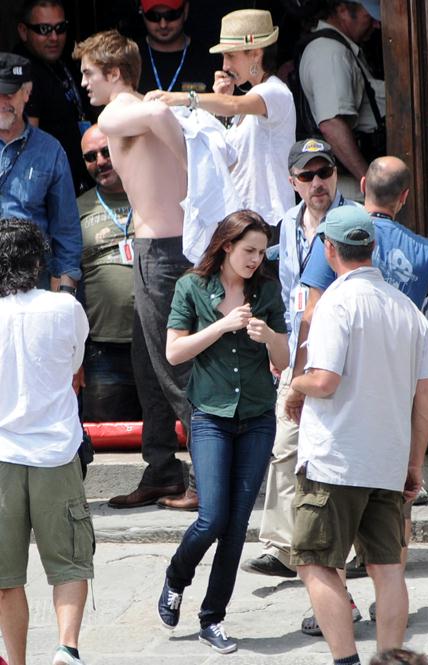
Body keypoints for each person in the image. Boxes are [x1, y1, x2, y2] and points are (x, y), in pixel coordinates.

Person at [73, 30, 238, 511]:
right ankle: (163, 469)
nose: (84, 83)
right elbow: (159, 115)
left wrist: (188, 162)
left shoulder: (117, 111)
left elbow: (159, 115)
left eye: (89, 73)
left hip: (163, 252)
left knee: (175, 367)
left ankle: (209, 479)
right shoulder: (139, 107)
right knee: (148, 364)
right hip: (167, 249)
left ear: (114, 73)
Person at [292, 155, 428, 634]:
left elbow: (323, 374)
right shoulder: (411, 305)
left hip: (337, 455)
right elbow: (426, 398)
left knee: (318, 560)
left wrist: (294, 383)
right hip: (390, 450)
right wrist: (414, 462)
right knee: (389, 567)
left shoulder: (335, 299)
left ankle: (344, 651)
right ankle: (392, 656)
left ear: (329, 249)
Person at [157, 210, 289, 654]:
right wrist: (221, 325)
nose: (256, 259)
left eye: (262, 252)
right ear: (227, 245)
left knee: (235, 526)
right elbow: (174, 352)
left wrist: (268, 336)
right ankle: (177, 576)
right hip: (210, 416)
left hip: (257, 416)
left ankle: (212, 617)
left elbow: (284, 359)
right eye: (249, 250)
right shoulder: (192, 286)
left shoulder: (266, 290)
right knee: (211, 517)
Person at [241, 138, 359, 579]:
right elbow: (288, 290)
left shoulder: (354, 220)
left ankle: (353, 549)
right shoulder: (286, 223)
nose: (317, 182)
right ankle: (280, 546)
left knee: (342, 446)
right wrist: (281, 346)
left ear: (335, 174)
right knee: (285, 446)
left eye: (324, 172)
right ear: (293, 182)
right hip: (297, 351)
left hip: (343, 352)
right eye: (307, 175)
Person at [0, 219, 94, 665]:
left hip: (3, 454)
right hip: (56, 452)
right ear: (38, 262)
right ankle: (66, 647)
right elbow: (74, 363)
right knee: (70, 563)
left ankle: (16, 661)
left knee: (5, 578)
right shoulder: (65, 308)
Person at [145, 8, 296, 228]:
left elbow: (233, 105)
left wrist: (182, 98)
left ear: (256, 53)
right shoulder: (249, 99)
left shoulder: (275, 91)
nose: (225, 66)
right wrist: (220, 100)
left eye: (231, 56)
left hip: (270, 222)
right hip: (242, 223)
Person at [0, 51, 82, 293]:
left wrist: (66, 291)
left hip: (32, 280)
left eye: (9, 94)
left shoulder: (50, 150)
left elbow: (65, 227)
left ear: (27, 93)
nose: (2, 102)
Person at [77, 124, 142, 422]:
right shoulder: (78, 207)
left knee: (167, 438)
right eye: (90, 157)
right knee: (106, 439)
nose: (100, 161)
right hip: (103, 349)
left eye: (106, 151)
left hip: (158, 342)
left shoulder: (153, 192)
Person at [299, 0, 384, 199]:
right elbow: (332, 125)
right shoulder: (330, 52)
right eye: (368, 16)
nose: (376, 24)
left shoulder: (339, 47)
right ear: (342, 10)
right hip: (355, 191)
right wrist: (370, 185)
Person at [16, 0, 92, 195]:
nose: (54, 37)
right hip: (51, 189)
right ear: (23, 31)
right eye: (44, 29)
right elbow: (27, 145)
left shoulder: (63, 58)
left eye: (60, 28)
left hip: (81, 180)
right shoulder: (22, 72)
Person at [136, 0, 214, 95]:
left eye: (171, 15)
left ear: (185, 10)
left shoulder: (209, 58)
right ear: (142, 12)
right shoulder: (128, 57)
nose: (163, 25)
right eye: (153, 16)